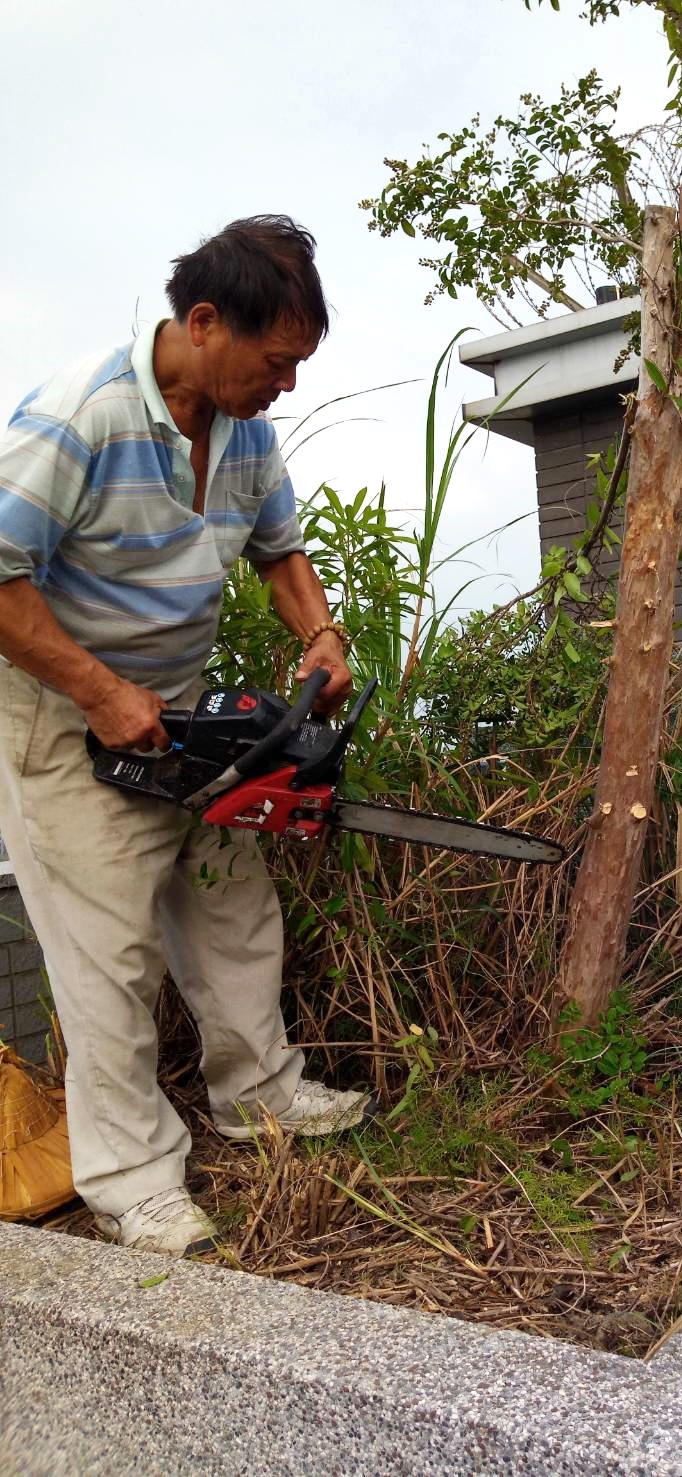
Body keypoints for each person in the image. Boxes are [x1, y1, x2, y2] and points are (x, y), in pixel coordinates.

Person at [0, 216, 370, 1257]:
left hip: (179, 707)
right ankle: (132, 1180)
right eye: (276, 362)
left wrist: (322, 634)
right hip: (63, 707)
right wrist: (97, 689)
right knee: (109, 955)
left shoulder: (245, 430)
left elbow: (280, 551)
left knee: (230, 906)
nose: (285, 386)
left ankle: (261, 1095)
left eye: (298, 366)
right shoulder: (82, 415)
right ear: (203, 323)